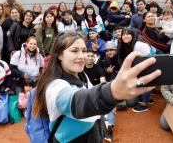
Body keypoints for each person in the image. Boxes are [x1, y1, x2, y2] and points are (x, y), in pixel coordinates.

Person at [32, 31, 161, 142]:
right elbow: (78, 102)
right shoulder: (55, 86)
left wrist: (103, 118)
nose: (81, 56)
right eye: (74, 51)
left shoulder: (82, 75)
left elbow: (91, 94)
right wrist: (113, 91)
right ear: (59, 55)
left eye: (83, 50)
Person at [119, 27, 153, 112]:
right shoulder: (126, 45)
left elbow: (150, 59)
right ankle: (148, 98)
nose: (125, 36)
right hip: (141, 64)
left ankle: (145, 104)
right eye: (123, 34)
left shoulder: (139, 45)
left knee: (145, 80)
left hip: (151, 62)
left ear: (133, 35)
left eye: (128, 34)